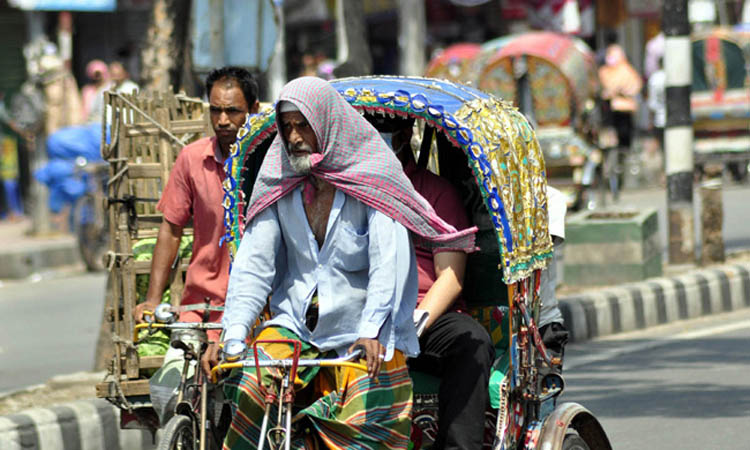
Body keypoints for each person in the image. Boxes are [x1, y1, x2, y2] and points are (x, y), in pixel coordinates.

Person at [214, 76, 477, 449]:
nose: (293, 137)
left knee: (364, 419)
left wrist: (373, 327)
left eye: (303, 124)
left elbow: (388, 261)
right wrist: (236, 331)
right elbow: (255, 264)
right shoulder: (280, 182)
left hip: (362, 326)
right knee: (250, 386)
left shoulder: (374, 179)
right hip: (295, 324)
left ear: (326, 123)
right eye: (286, 127)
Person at [131, 66, 259, 421]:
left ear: (254, 109)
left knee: (251, 398)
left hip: (257, 309)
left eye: (232, 111)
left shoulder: (270, 162)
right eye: (215, 110)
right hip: (200, 307)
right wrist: (152, 300)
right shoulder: (192, 159)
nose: (222, 120)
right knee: (167, 390)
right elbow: (170, 230)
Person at [386, 120, 494, 450]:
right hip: (364, 313)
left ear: (404, 136)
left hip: (424, 316)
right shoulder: (345, 190)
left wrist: (411, 326)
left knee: (471, 341)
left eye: (381, 130)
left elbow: (451, 275)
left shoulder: (434, 192)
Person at [598, 43, 643, 196]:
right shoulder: (608, 72)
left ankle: (618, 173)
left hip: (620, 113)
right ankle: (615, 174)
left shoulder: (623, 71)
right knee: (615, 145)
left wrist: (613, 92)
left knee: (621, 146)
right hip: (612, 114)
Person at [647, 57, 666, 153]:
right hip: (674, 118)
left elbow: (652, 102)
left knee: (662, 148)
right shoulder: (674, 76)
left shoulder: (655, 78)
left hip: (659, 118)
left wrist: (650, 121)